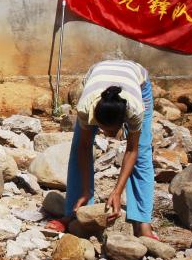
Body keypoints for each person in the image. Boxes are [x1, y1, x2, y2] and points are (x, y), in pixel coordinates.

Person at [52, 59, 157, 239]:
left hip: (138, 81)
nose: (108, 135)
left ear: (123, 121)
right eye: (102, 129)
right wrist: (86, 190)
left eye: (112, 131)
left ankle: (142, 222)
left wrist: (117, 192)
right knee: (77, 148)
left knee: (142, 152)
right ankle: (74, 212)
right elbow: (84, 147)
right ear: (95, 118)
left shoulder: (135, 110)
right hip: (98, 77)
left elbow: (132, 150)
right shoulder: (86, 108)